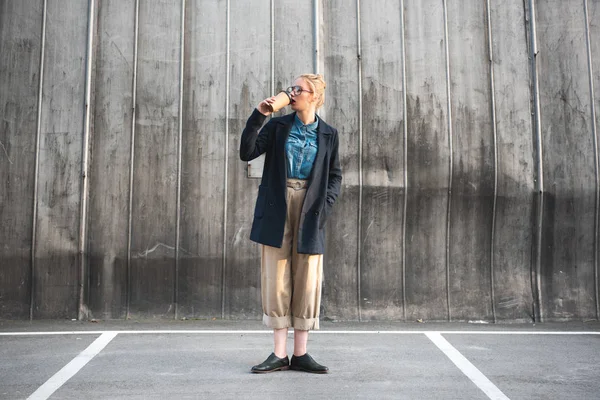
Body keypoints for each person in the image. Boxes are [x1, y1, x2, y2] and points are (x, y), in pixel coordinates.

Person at [239, 74, 342, 374]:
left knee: (307, 279)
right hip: (277, 205)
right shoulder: (278, 126)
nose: (292, 92)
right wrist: (260, 114)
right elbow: (247, 152)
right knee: (277, 277)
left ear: (314, 96)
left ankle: (301, 354)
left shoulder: (329, 134)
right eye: (292, 88)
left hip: (311, 208)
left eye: (299, 89)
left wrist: (324, 207)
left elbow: (334, 175)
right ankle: (278, 353)